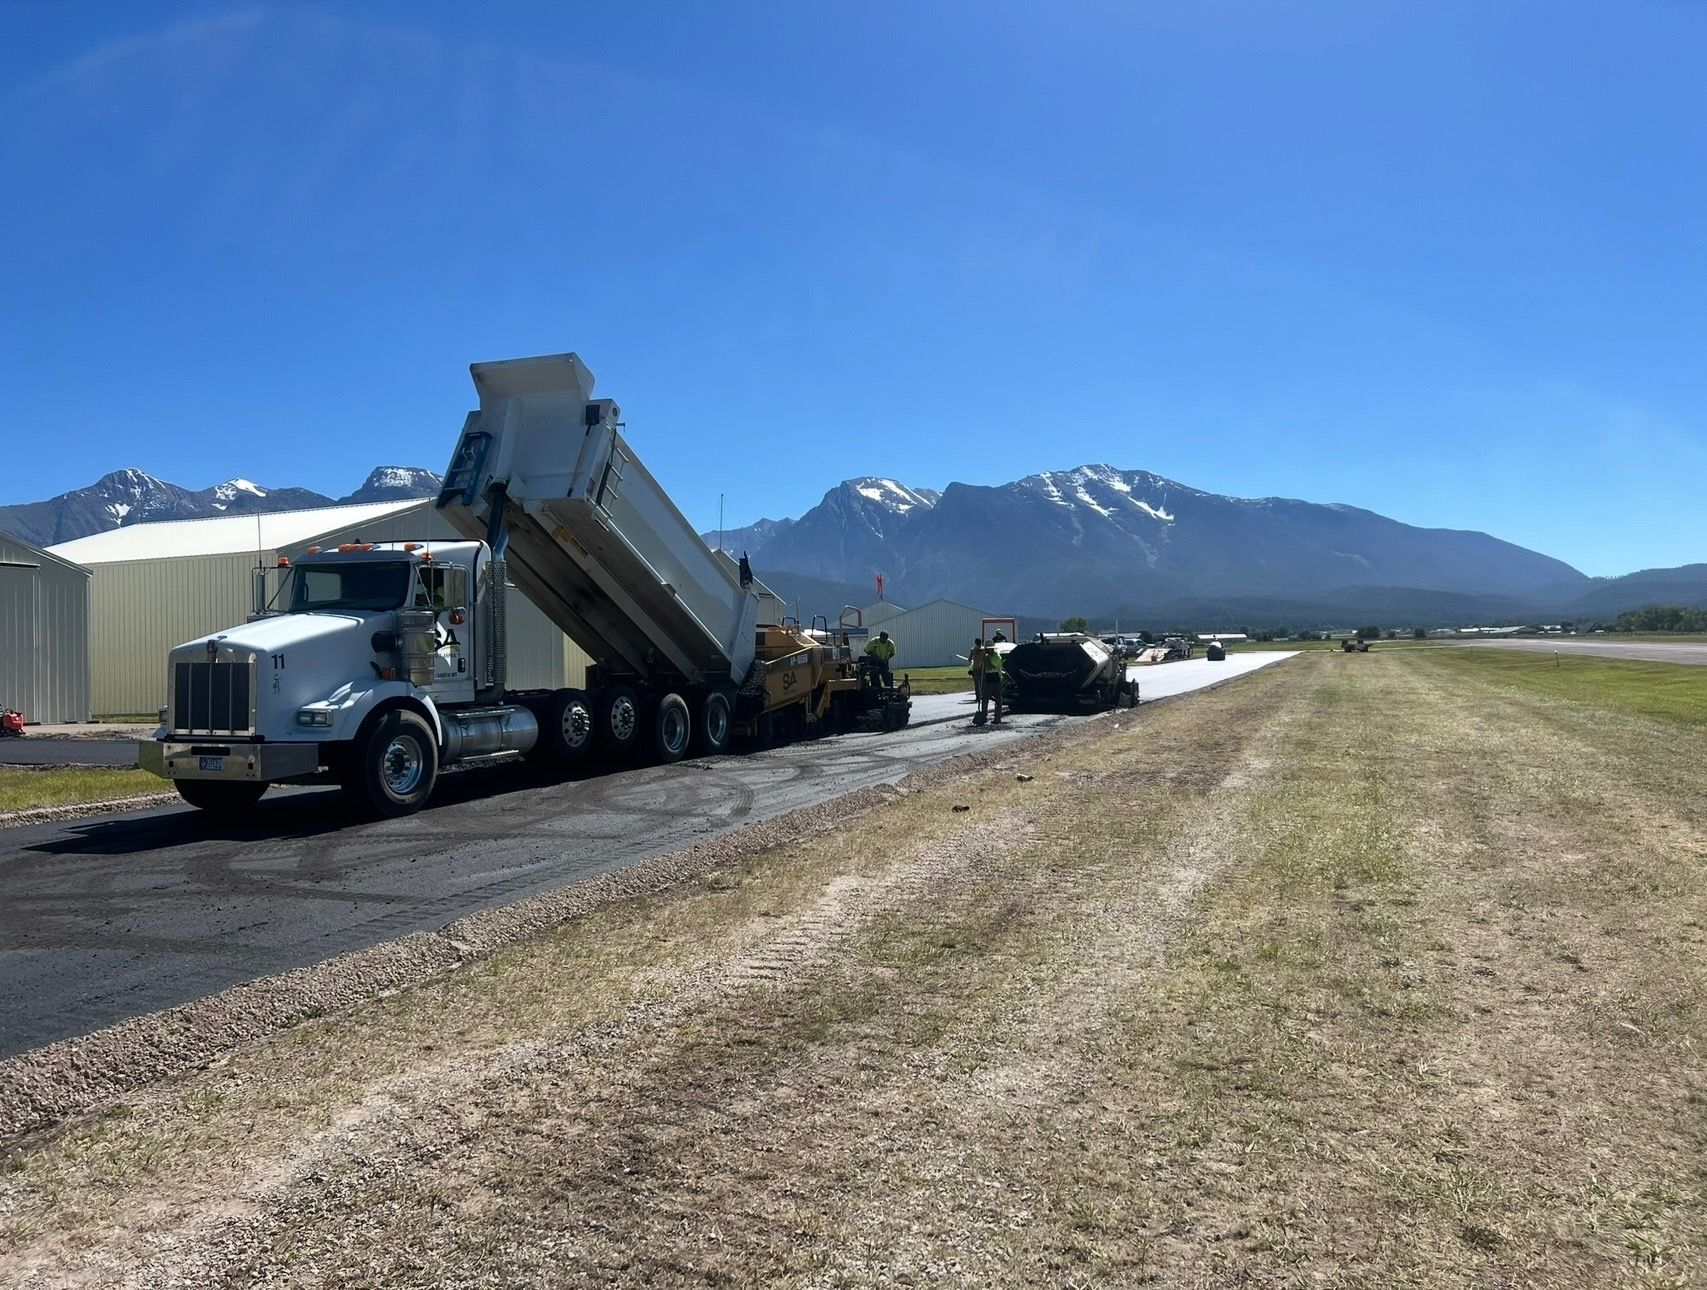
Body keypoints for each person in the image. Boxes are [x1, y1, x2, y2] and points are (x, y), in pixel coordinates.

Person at [970, 638, 1005, 725]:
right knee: (984, 699)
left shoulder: (997, 656)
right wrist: (978, 656)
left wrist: (984, 658)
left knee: (998, 701)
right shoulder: (985, 657)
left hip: (996, 681)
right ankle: (983, 716)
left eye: (988, 649)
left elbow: (991, 666)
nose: (987, 650)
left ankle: (997, 718)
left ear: (992, 649)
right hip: (987, 681)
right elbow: (978, 667)